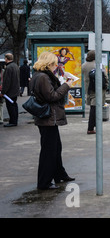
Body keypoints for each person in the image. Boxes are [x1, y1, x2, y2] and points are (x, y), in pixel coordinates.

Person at [30, 51, 75, 190]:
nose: (56, 66)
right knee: (49, 151)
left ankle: (59, 174)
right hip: (48, 118)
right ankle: (44, 182)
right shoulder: (43, 77)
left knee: (55, 148)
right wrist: (66, 86)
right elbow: (52, 96)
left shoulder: (39, 75)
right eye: (54, 64)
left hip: (47, 118)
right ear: (48, 64)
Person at [81, 50, 106, 135]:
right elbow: (105, 76)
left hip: (89, 88)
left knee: (93, 105)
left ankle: (93, 125)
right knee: (94, 107)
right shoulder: (98, 65)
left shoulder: (84, 66)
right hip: (97, 88)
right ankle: (91, 127)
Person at [1, 53, 20, 127]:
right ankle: (15, 120)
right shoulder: (15, 66)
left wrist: (3, 91)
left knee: (10, 107)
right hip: (15, 90)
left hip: (10, 92)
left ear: (6, 58)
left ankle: (12, 121)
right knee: (14, 105)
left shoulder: (8, 68)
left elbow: (6, 81)